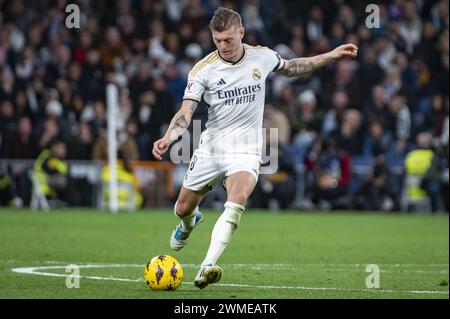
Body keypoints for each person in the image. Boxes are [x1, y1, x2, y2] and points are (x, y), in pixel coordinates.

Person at [152, 7, 358, 289]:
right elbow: (186, 112)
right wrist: (170, 136)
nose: (223, 46)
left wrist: (330, 55)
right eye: (217, 40)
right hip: (212, 148)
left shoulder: (262, 56)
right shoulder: (204, 69)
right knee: (182, 209)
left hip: (247, 149)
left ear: (241, 33)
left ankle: (207, 266)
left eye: (228, 40)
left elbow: (293, 67)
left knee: (236, 200)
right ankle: (190, 223)